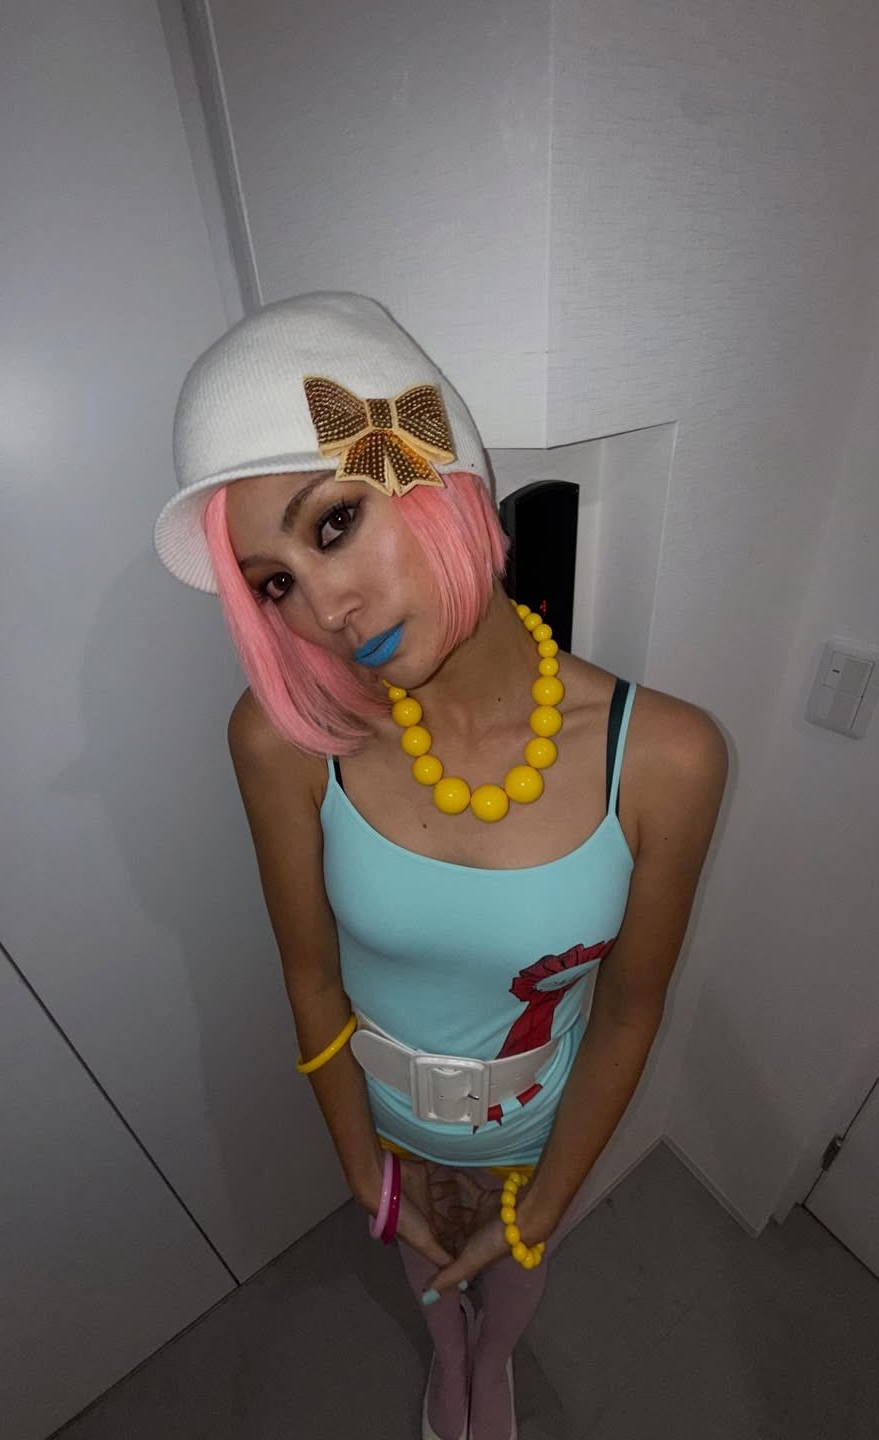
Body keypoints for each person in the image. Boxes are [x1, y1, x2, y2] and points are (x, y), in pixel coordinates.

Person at [154, 292, 727, 1440]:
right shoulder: (281, 743)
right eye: (274, 582)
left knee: (511, 1273)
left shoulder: (666, 759)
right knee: (425, 1273)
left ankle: (492, 1362)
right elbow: (311, 977)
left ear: (437, 469)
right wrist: (363, 1173)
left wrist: (545, 1203)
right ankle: (449, 1358)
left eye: (332, 524)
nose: (323, 606)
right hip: (384, 1119)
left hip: (542, 1124)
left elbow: (628, 1012)